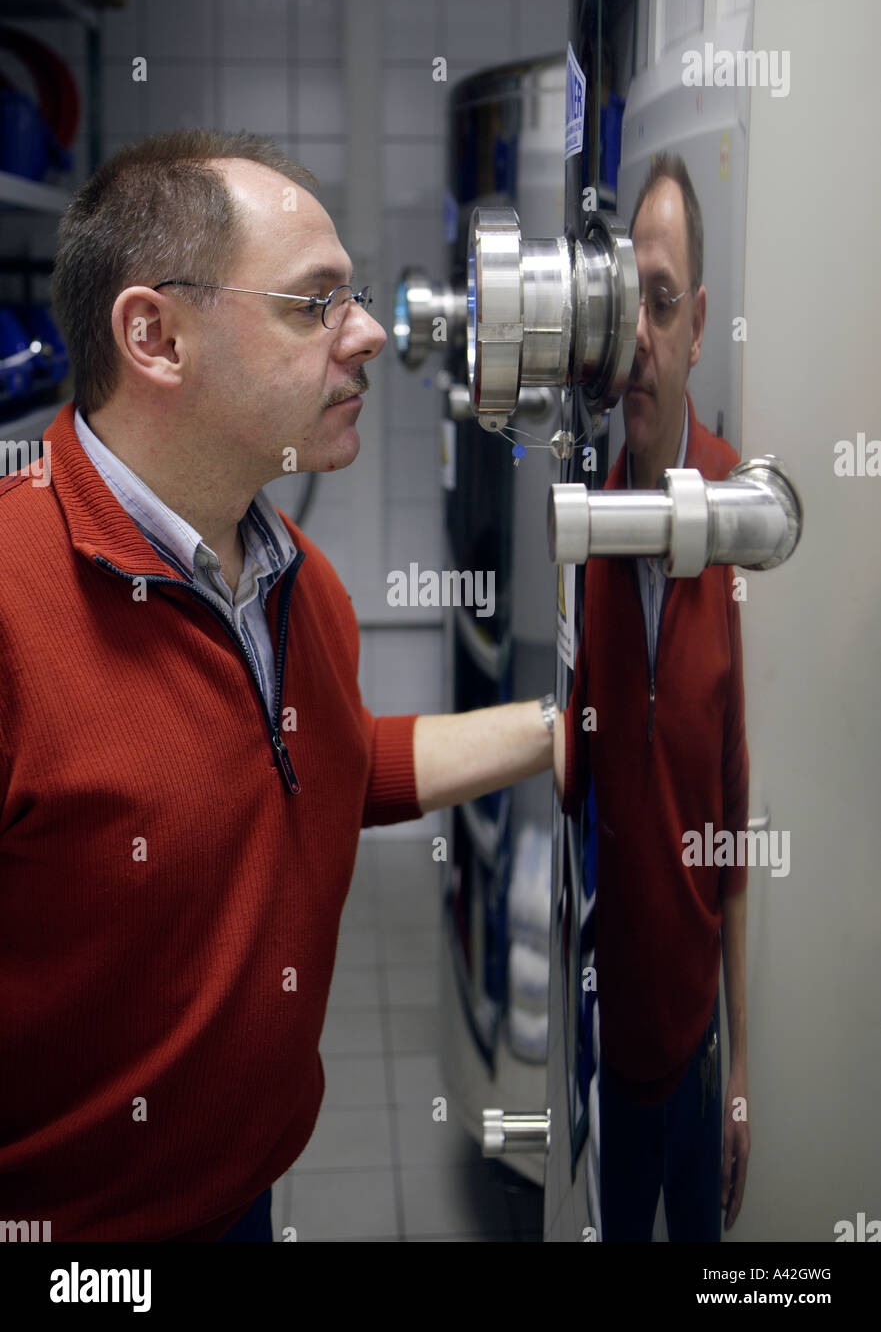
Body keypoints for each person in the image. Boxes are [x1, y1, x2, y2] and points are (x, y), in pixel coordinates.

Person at [0, 130, 556, 1242]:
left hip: (239, 1196)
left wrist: (563, 724)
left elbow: (323, 768)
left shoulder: (298, 580)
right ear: (155, 336)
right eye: (315, 304)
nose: (369, 337)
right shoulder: (16, 606)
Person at [553, 152, 751, 1241]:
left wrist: (737, 1075)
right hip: (608, 1023)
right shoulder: (580, 523)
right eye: (625, 301)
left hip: (694, 1033)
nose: (637, 337)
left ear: (694, 324)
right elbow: (567, 772)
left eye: (660, 304)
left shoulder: (737, 518)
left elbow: (734, 829)